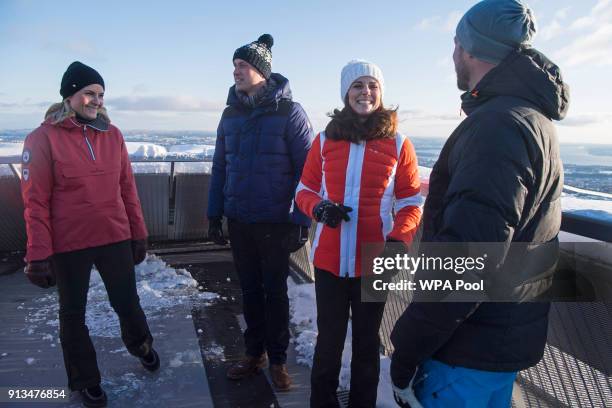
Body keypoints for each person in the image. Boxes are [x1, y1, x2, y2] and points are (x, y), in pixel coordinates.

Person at [390, 1, 569, 407]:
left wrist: (407, 351)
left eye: (456, 42)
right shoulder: (531, 119)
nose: (452, 53)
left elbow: (468, 260)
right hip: (496, 345)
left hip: (463, 353)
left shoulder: (495, 128)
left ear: (471, 49)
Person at [21, 61, 160, 408]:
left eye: (100, 94)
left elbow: (127, 188)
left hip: (113, 235)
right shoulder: (42, 140)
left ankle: (141, 345)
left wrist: (137, 233)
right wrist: (38, 255)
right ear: (70, 96)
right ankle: (86, 380)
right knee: (73, 314)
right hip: (69, 243)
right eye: (89, 93)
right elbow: (35, 201)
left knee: (127, 303)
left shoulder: (112, 135)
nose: (96, 100)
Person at [295, 60, 423, 408]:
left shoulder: (398, 143)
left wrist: (399, 241)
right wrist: (319, 208)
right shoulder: (324, 141)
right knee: (329, 342)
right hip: (328, 259)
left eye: (372, 86)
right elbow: (304, 189)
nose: (365, 92)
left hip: (374, 261)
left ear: (381, 94)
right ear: (345, 93)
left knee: (367, 345)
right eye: (357, 86)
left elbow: (412, 201)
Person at [207, 34, 313, 391]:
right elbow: (220, 165)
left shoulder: (290, 113)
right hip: (240, 220)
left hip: (275, 222)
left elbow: (308, 173)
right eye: (235, 65)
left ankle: (279, 361)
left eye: (244, 65)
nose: (237, 71)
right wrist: (213, 213)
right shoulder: (230, 114)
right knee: (249, 291)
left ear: (263, 73)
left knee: (275, 293)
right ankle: (254, 355)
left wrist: (301, 221)